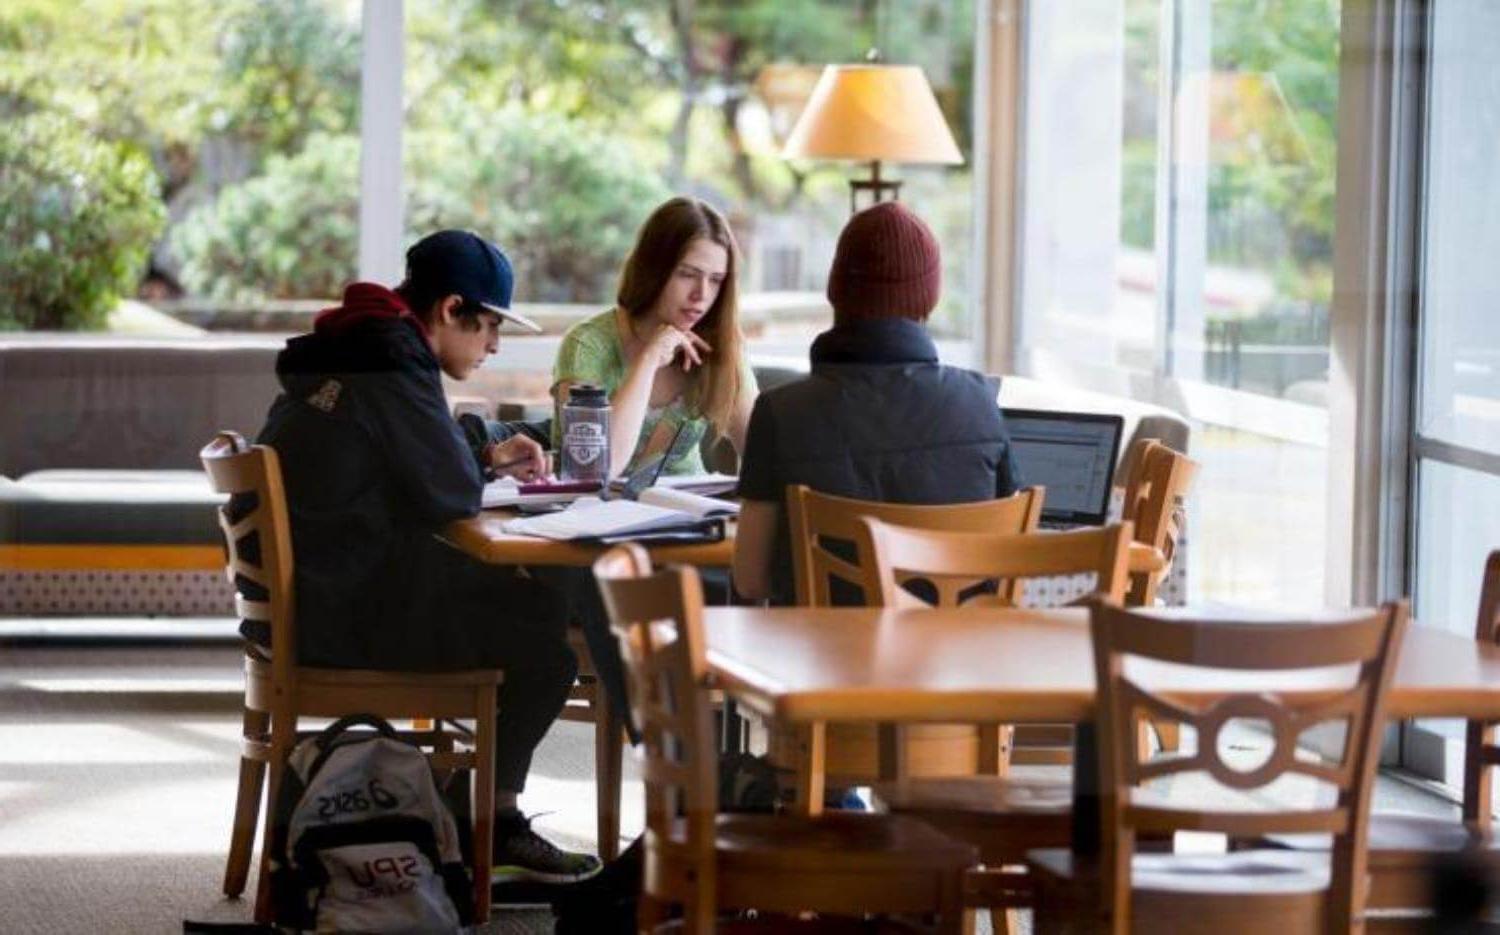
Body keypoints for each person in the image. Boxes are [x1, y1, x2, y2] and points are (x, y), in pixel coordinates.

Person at [251, 229, 601, 885]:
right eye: (489, 325)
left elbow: (413, 458)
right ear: (449, 309)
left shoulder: (359, 341)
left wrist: (482, 445)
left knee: (528, 604)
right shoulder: (392, 356)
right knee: (548, 647)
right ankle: (494, 828)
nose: (494, 345)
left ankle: (474, 823)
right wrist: (476, 455)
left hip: (321, 592)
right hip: (348, 609)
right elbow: (447, 491)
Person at [733, 201, 1023, 605]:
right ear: (929, 297)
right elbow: (1008, 560)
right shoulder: (980, 402)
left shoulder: (781, 413)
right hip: (954, 662)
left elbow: (750, 580)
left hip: (820, 662)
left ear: (838, 292)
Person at [550, 196, 758, 477]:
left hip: (688, 514)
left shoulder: (719, 346)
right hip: (591, 515)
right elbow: (598, 469)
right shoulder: (586, 345)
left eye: (716, 280)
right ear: (653, 269)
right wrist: (648, 360)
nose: (702, 294)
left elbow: (764, 458)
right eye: (687, 274)